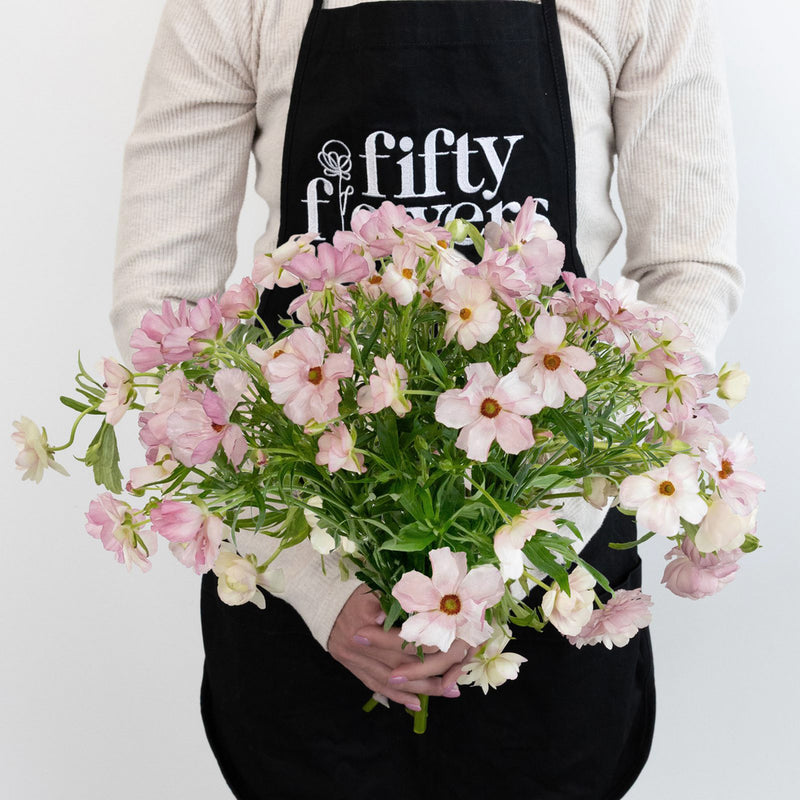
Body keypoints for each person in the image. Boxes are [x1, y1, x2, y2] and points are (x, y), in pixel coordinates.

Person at [111, 1, 743, 798]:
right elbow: (162, 307)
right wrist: (319, 585)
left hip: (549, 582)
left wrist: (515, 553)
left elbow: (691, 273)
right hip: (306, 586)